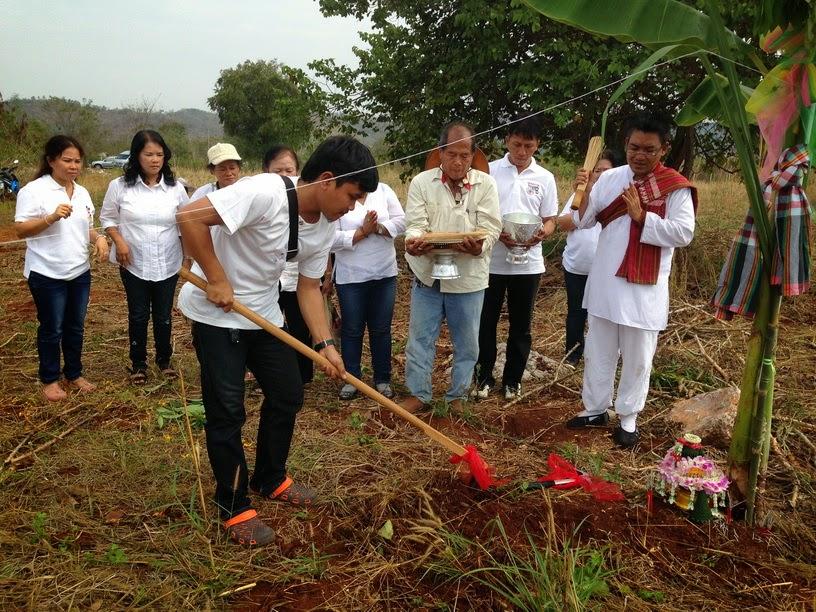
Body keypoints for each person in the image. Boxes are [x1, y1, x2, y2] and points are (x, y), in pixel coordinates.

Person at [176, 136, 378, 546]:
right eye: (353, 196)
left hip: (265, 317)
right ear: (327, 179)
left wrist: (326, 345)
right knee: (227, 411)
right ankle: (233, 503)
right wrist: (216, 277)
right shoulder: (264, 192)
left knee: (288, 392)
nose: (354, 207)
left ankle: (270, 477)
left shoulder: (324, 225)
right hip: (218, 317)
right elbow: (189, 216)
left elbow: (308, 288)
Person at [566, 114, 696, 448]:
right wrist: (585, 190)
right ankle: (595, 408)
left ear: (664, 149)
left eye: (649, 150)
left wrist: (643, 218)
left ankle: (628, 418)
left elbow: (684, 233)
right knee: (598, 350)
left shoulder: (675, 186)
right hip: (606, 280)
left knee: (638, 357)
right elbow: (584, 221)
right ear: (626, 144)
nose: (640, 155)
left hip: (644, 289)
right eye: (634, 147)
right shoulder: (610, 178)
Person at [401, 122, 502, 413]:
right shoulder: (422, 183)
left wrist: (480, 245)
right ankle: (419, 394)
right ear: (440, 152)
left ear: (473, 155)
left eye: (464, 155)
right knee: (420, 339)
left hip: (469, 277)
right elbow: (415, 224)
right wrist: (413, 242)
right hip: (427, 274)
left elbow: (491, 227)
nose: (458, 162)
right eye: (452, 154)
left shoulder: (486, 184)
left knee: (467, 343)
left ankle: (458, 396)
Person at [14, 135, 109, 401]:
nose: (73, 166)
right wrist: (51, 217)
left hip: (79, 271)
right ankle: (49, 379)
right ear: (51, 161)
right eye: (67, 160)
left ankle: (74, 374)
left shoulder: (82, 192)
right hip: (46, 272)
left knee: (75, 326)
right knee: (52, 328)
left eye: (77, 161)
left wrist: (99, 238)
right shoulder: (34, 191)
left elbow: (85, 228)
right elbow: (21, 229)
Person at [473, 115, 558, 401]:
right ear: (506, 140)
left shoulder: (544, 178)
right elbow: (478, 212)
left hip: (528, 264)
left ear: (538, 145)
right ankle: (483, 377)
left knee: (521, 325)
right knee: (485, 321)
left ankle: (513, 380)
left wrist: (541, 233)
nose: (522, 152)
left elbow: (550, 219)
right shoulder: (489, 171)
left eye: (528, 146)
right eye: (517, 144)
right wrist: (497, 234)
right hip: (491, 260)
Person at [100, 130, 189, 384]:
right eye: (149, 154)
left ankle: (164, 360)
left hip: (168, 261)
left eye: (159, 154)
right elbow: (107, 218)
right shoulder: (119, 186)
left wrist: (187, 258)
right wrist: (119, 241)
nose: (155, 160)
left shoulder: (175, 188)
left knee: (163, 315)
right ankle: (138, 363)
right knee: (138, 314)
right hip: (133, 262)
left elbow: (185, 224)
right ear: (137, 155)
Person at [332, 180, 406, 400]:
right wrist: (362, 232)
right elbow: (330, 239)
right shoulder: (338, 193)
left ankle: (382, 379)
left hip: (384, 273)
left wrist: (380, 228)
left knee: (381, 329)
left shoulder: (383, 189)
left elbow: (402, 221)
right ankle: (351, 379)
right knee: (352, 329)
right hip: (350, 276)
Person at [556, 149, 622, 365]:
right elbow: (562, 222)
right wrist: (585, 208)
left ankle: (602, 357)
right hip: (577, 266)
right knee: (576, 312)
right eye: (597, 170)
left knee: (603, 314)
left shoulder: (619, 198)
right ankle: (573, 355)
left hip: (606, 269)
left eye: (606, 171)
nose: (600, 174)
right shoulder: (580, 194)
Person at [263, 144, 316, 385]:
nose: (284, 176)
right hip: (269, 280)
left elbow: (321, 245)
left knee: (300, 327)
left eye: (289, 170)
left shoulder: (308, 205)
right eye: (278, 171)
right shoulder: (263, 200)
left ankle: (302, 376)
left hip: (297, 278)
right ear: (266, 172)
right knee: (269, 329)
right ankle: (270, 374)